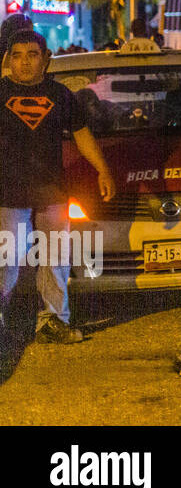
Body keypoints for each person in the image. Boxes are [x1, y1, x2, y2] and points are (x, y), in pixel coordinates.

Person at [0, 30, 116, 344]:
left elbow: (82, 136)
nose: (24, 62)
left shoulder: (61, 95)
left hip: (52, 192)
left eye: (32, 54)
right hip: (8, 194)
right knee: (7, 260)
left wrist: (103, 170)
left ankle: (53, 320)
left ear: (46, 59)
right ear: (8, 59)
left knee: (56, 257)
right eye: (17, 55)